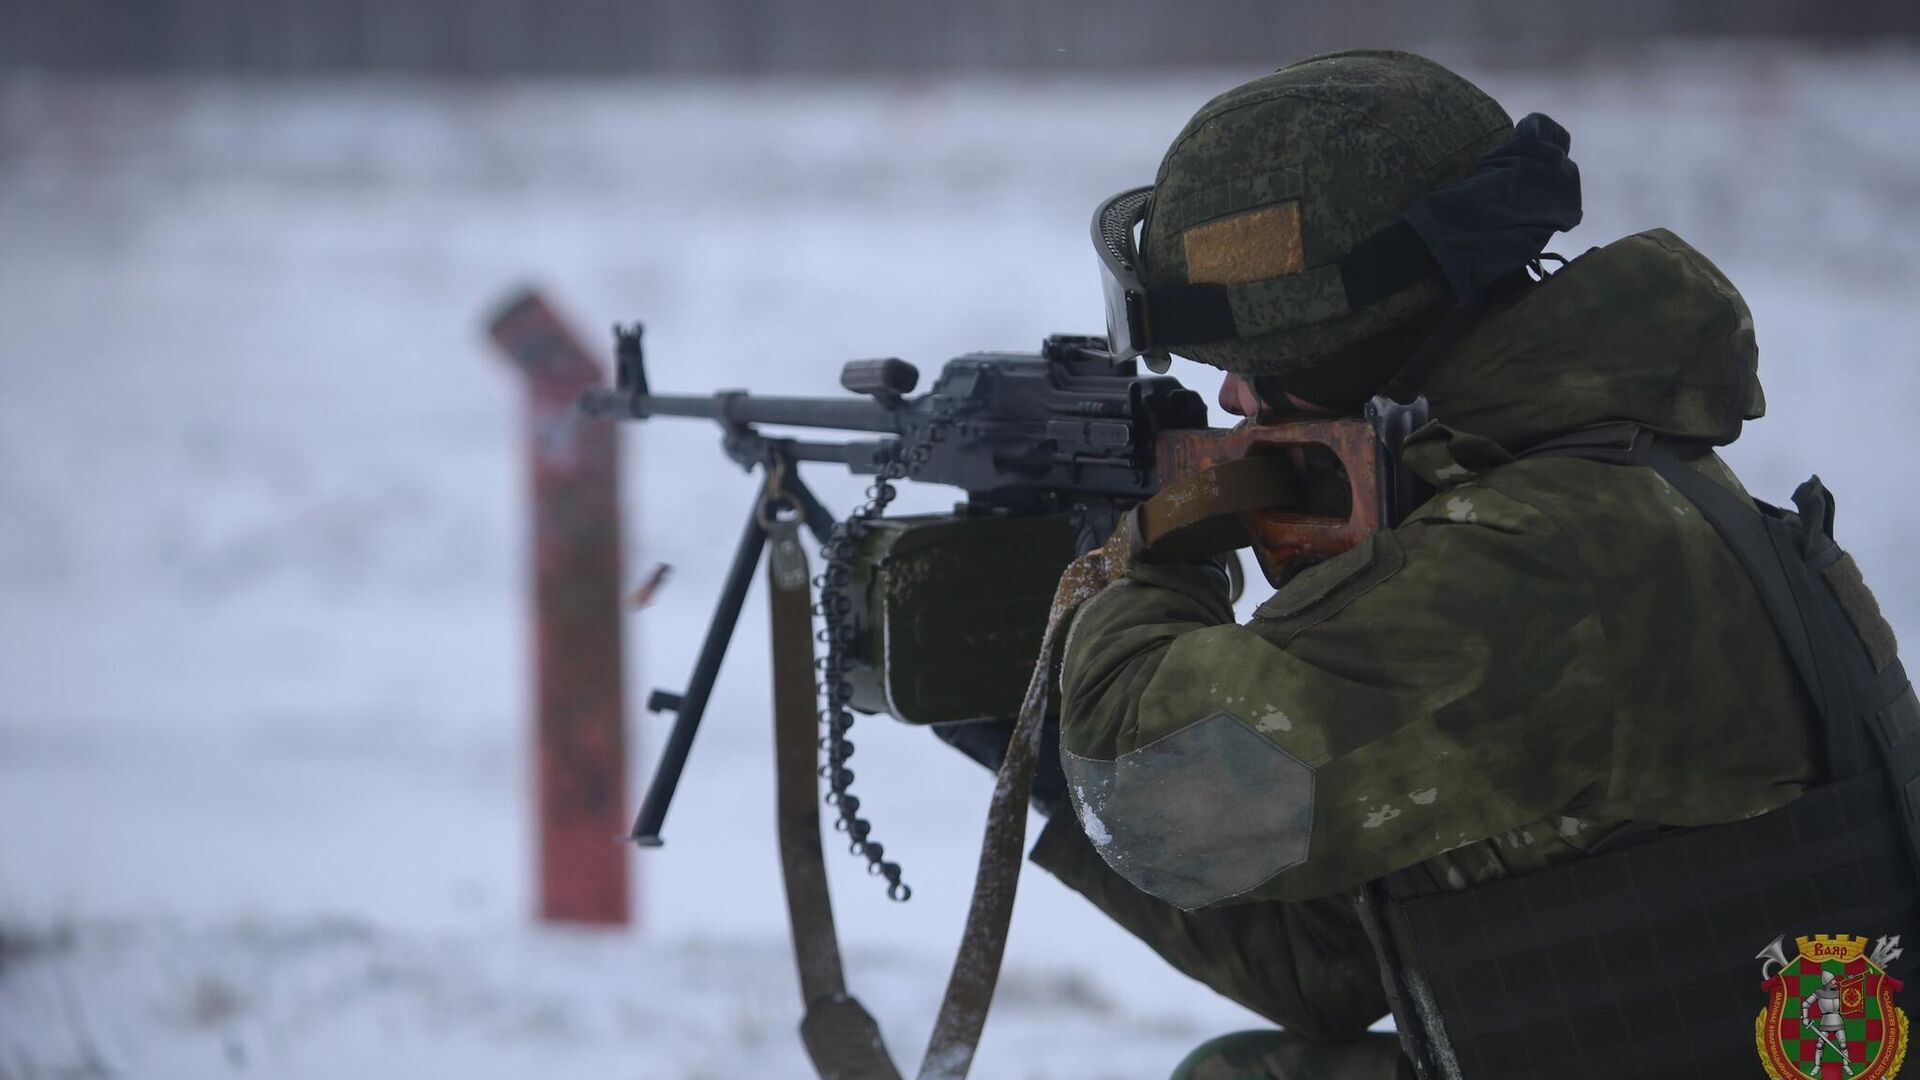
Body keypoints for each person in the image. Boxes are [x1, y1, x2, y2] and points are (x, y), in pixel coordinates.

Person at [1028, 49, 1920, 1079]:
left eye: (1250, 363)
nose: (1230, 399)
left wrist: (1155, 552)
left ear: (1344, 347)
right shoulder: (1604, 489)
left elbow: (1157, 799)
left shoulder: (1547, 560)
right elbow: (1326, 966)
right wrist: (1049, 762)